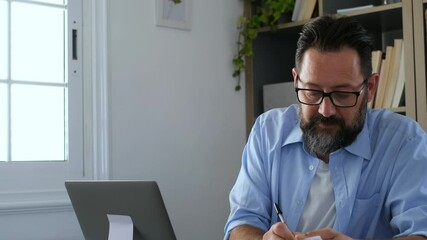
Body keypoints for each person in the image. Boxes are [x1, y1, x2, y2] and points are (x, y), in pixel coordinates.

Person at [224, 15, 427, 240]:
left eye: (342, 94)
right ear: (296, 81)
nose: (325, 110)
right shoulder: (267, 132)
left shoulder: (404, 142)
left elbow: (420, 232)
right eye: (312, 92)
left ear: (370, 88)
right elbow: (241, 224)